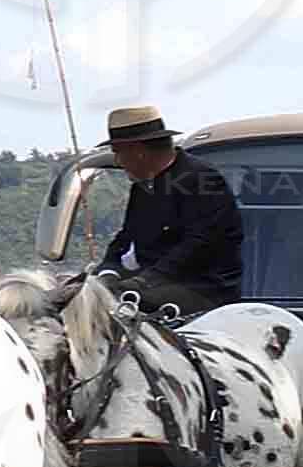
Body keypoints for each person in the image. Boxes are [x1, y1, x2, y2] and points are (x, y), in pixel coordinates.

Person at [94, 104, 244, 317]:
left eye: (118, 152)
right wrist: (106, 270)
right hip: (154, 283)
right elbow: (127, 236)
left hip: (204, 290)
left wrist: (144, 281)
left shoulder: (202, 178)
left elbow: (199, 243)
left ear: (138, 151)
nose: (118, 161)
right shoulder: (143, 187)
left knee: (112, 305)